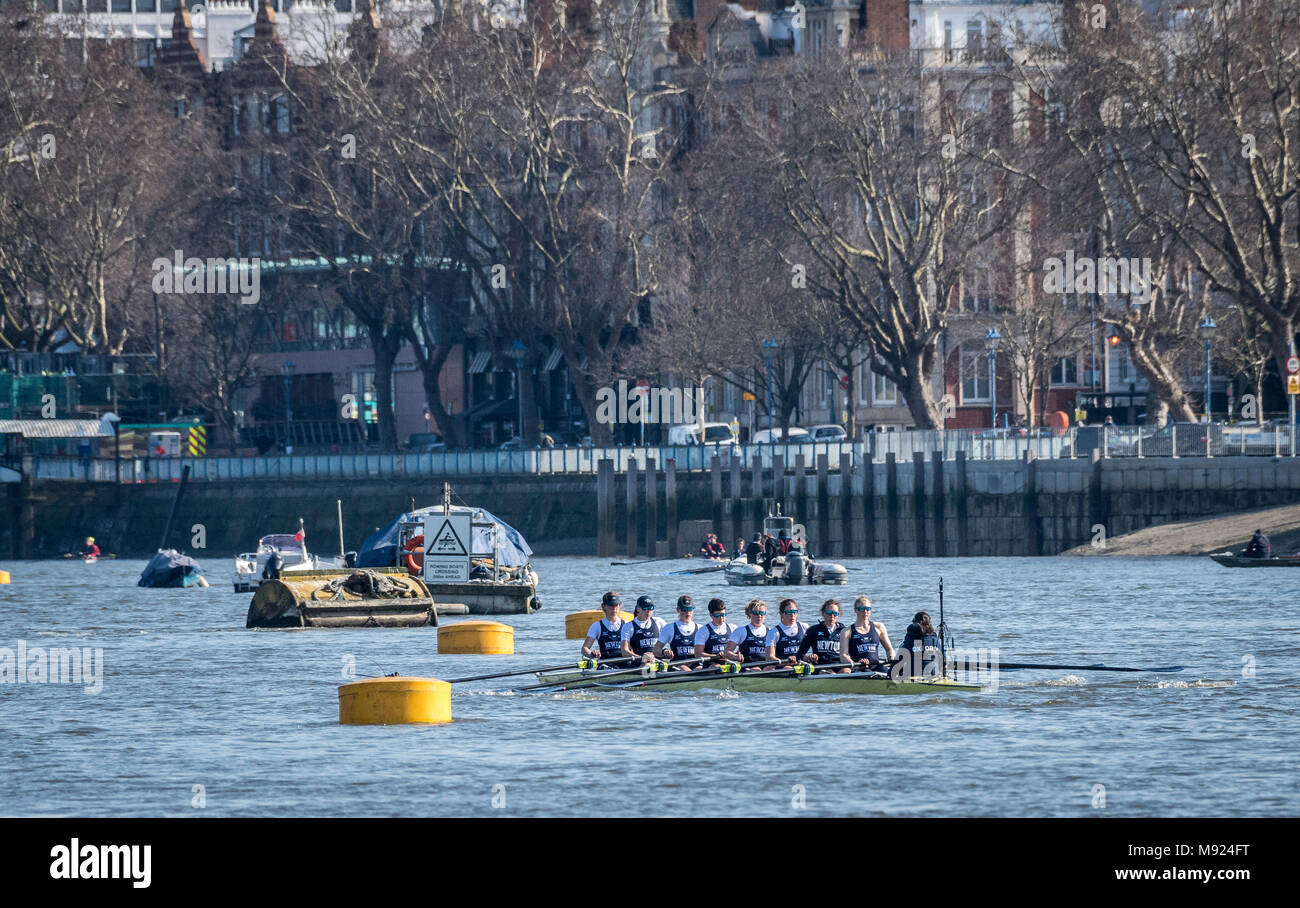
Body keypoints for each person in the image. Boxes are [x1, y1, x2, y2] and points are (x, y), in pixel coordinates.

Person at [841, 596, 895, 671]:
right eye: (862, 609)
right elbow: (843, 656)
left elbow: (889, 649)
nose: (865, 611)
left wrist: (891, 658)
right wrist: (856, 666)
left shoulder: (879, 627)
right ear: (856, 610)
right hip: (859, 668)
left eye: (868, 609)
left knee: (891, 674)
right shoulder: (847, 631)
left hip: (877, 666)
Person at [796, 599, 851, 673]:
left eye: (835, 613)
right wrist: (808, 657)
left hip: (839, 665)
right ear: (823, 613)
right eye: (828, 613)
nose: (832, 616)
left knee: (846, 671)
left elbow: (853, 653)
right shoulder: (813, 630)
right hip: (821, 666)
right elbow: (799, 655)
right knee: (829, 672)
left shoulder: (844, 631)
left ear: (839, 614)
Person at [723, 599, 771, 669]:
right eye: (756, 613)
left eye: (762, 613)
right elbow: (726, 652)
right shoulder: (740, 631)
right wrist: (735, 657)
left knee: (770, 668)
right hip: (748, 666)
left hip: (766, 665)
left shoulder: (770, 632)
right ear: (749, 613)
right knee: (756, 669)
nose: (759, 616)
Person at [581, 591, 628, 663]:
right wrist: (592, 654)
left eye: (616, 605)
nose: (614, 608)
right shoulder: (596, 626)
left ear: (620, 606)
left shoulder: (627, 624)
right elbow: (584, 648)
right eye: (611, 605)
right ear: (604, 606)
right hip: (606, 664)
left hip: (625, 662)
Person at [656, 596, 700, 670]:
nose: (688, 613)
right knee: (686, 670)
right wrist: (664, 651)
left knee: (700, 669)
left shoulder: (700, 628)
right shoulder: (669, 628)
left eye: (690, 609)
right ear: (678, 610)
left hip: (695, 663)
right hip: (678, 664)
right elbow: (656, 649)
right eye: (684, 610)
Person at [621, 595, 665, 665]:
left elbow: (672, 641)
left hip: (657, 661)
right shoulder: (628, 626)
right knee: (646, 664)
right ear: (638, 609)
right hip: (639, 663)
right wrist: (642, 658)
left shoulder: (659, 622)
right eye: (645, 608)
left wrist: (666, 652)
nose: (648, 611)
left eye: (651, 608)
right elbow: (624, 651)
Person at [898, 611, 942, 677]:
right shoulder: (935, 640)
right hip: (932, 676)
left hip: (913, 677)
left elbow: (898, 664)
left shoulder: (909, 641)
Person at [765, 599, 808, 666]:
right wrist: (786, 662)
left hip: (801, 665)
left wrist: (812, 656)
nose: (792, 615)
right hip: (783, 667)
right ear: (781, 614)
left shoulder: (804, 627)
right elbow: (769, 657)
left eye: (795, 612)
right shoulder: (774, 632)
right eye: (789, 612)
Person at [694, 598, 735, 665]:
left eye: (723, 615)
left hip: (729, 662)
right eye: (717, 616)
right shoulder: (703, 631)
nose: (721, 618)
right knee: (717, 666)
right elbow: (698, 654)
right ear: (711, 615)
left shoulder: (733, 628)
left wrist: (736, 655)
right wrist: (716, 656)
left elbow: (743, 646)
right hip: (711, 664)